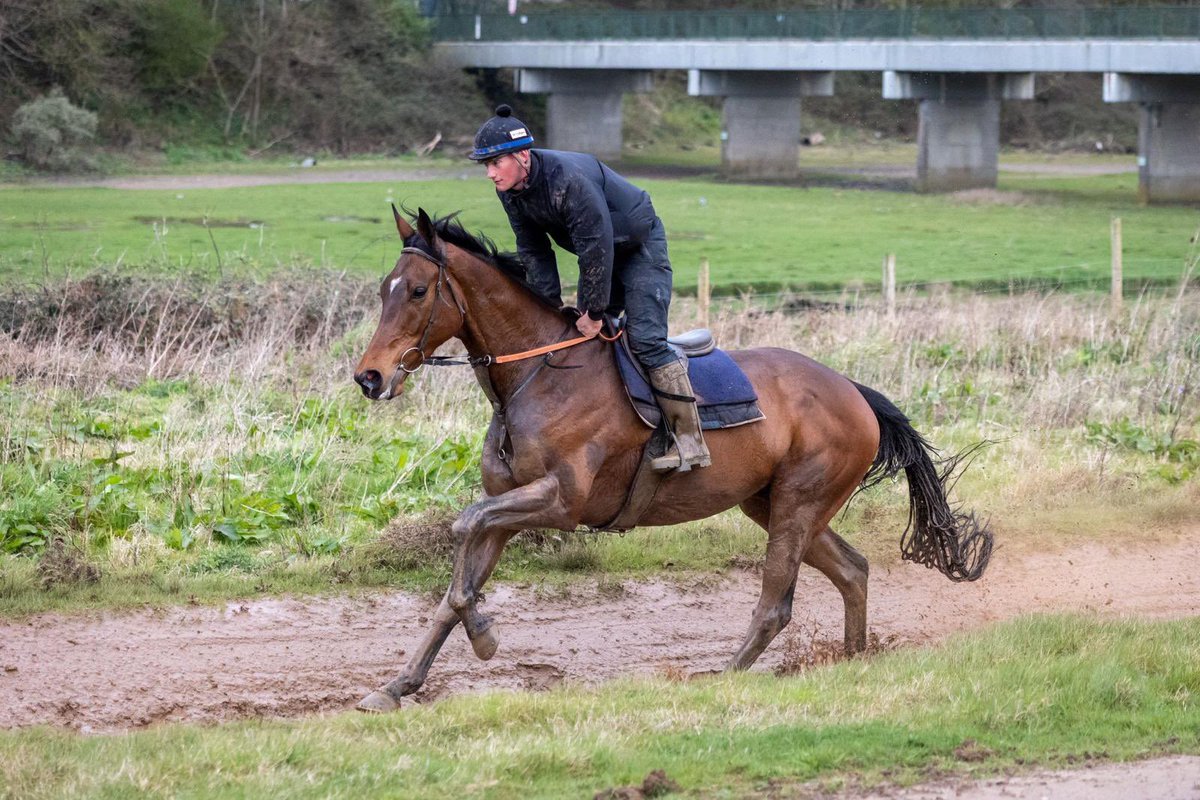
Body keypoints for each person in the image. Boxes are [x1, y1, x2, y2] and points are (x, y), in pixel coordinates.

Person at [469, 104, 711, 472]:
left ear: (521, 155)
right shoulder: (511, 190)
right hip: (601, 250)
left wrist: (594, 312)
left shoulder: (567, 180)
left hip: (638, 247)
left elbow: (594, 246)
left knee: (645, 339)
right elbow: (533, 249)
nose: (490, 174)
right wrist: (545, 310)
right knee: (583, 338)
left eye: (495, 163)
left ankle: (691, 441)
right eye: (485, 166)